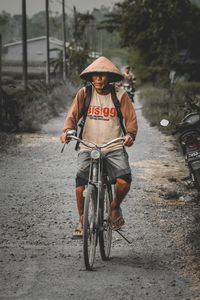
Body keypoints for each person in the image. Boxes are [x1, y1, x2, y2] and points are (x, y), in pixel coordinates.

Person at [60, 56, 138, 238]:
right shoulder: (84, 94)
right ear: (91, 77)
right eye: (95, 76)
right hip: (88, 145)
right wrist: (67, 132)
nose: (99, 79)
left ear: (109, 77)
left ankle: (114, 207)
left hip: (114, 145)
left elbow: (131, 119)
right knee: (80, 182)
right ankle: (81, 219)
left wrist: (130, 135)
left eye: (103, 76)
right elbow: (72, 116)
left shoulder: (120, 95)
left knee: (124, 179)